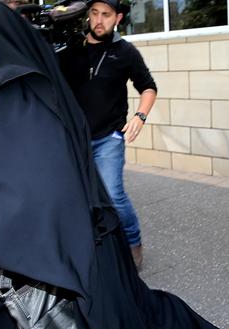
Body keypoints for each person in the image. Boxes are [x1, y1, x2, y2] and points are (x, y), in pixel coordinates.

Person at [0, 0, 229, 329]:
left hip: (34, 280)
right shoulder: (6, 111)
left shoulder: (31, 115)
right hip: (7, 284)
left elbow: (42, 201)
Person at [59, 0, 156, 268]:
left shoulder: (125, 52)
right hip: (75, 140)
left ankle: (133, 242)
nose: (98, 20)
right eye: (94, 13)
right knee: (78, 198)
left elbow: (148, 87)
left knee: (112, 195)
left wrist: (140, 116)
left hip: (108, 139)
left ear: (118, 18)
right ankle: (92, 251)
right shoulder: (70, 50)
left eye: (106, 15)